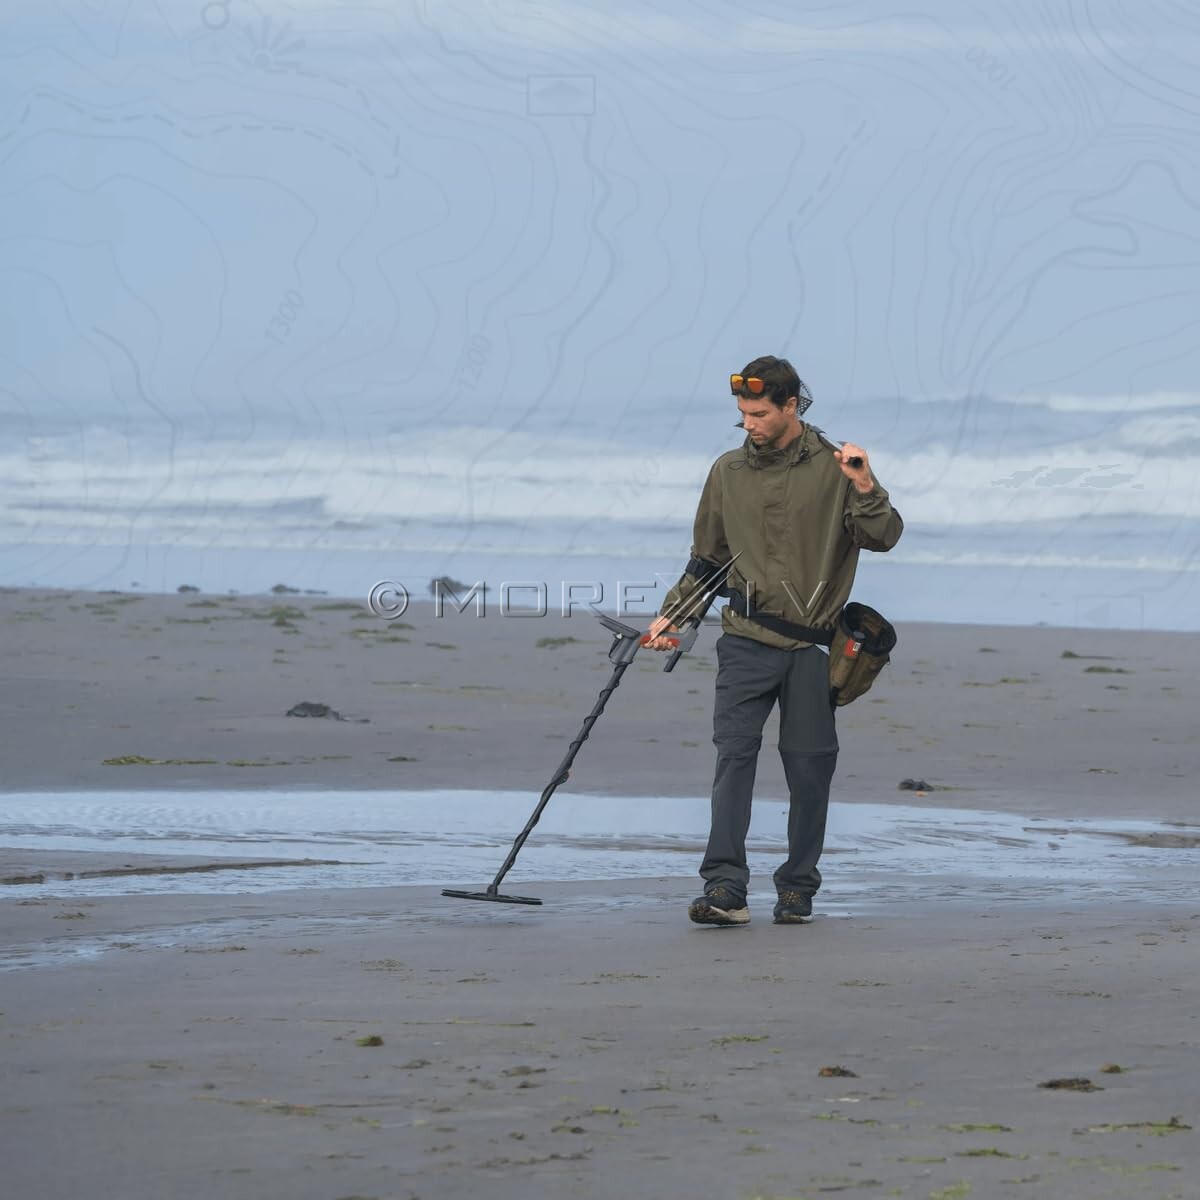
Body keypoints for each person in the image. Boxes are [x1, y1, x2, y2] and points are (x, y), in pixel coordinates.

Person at [645, 356, 903, 926]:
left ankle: (797, 887)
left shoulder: (838, 469)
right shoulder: (728, 471)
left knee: (809, 771)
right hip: (743, 641)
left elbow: (883, 536)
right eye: (743, 413)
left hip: (812, 649)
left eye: (759, 413)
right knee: (732, 759)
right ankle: (724, 888)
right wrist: (674, 617)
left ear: (791, 406)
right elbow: (708, 558)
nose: (748, 423)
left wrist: (865, 484)